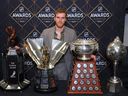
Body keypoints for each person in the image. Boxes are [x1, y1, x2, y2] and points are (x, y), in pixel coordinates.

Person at [40, 8, 77, 80]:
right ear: (54, 18)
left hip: (64, 67)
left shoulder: (72, 33)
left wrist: (88, 55)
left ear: (65, 19)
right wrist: (21, 49)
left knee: (63, 89)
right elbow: (38, 47)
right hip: (49, 67)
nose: (60, 20)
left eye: (63, 18)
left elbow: (75, 49)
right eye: (58, 17)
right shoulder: (46, 32)